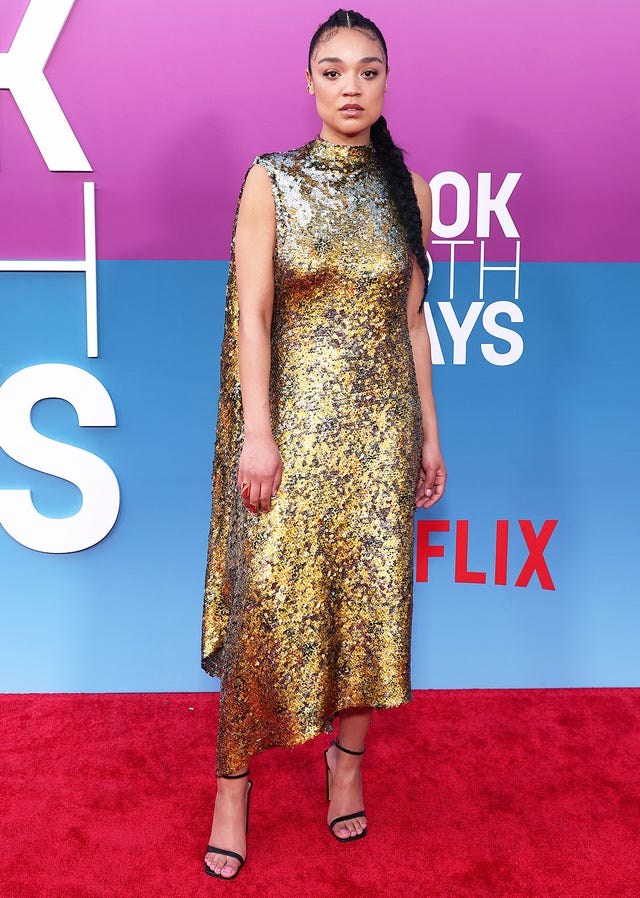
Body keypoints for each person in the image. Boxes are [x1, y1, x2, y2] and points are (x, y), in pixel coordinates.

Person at [201, 8, 447, 880]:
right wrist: (258, 434)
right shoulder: (272, 179)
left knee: (371, 602)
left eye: (368, 71)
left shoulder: (409, 189)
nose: (351, 87)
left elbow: (411, 323)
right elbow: (253, 316)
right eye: (334, 71)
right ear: (308, 83)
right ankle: (233, 788)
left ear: (386, 82)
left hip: (382, 434)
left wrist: (430, 433)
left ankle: (347, 768)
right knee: (266, 604)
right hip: (290, 431)